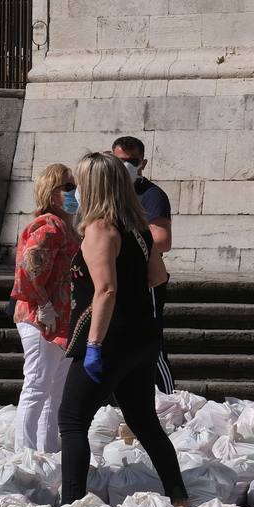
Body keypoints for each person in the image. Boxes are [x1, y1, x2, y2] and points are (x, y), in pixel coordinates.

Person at [58, 152, 188, 507]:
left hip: (109, 338)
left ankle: (71, 504)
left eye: (79, 183)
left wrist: (95, 345)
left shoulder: (100, 229)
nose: (75, 191)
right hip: (140, 338)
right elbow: (158, 277)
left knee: (71, 420)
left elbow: (106, 289)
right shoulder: (137, 230)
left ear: (93, 186)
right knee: (144, 422)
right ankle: (179, 497)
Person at [9, 163, 81, 453]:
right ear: (51, 194)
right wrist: (43, 304)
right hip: (42, 318)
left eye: (73, 185)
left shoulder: (65, 227)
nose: (74, 191)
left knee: (55, 391)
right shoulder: (49, 225)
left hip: (60, 319)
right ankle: (25, 454)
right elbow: (29, 267)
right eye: (67, 186)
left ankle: (47, 452)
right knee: (38, 386)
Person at [112, 136, 175, 392]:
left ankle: (167, 395)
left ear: (143, 163)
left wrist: (124, 244)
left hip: (143, 277)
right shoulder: (108, 194)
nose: (126, 166)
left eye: (132, 161)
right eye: (120, 161)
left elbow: (162, 239)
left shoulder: (151, 196)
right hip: (114, 276)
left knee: (150, 340)